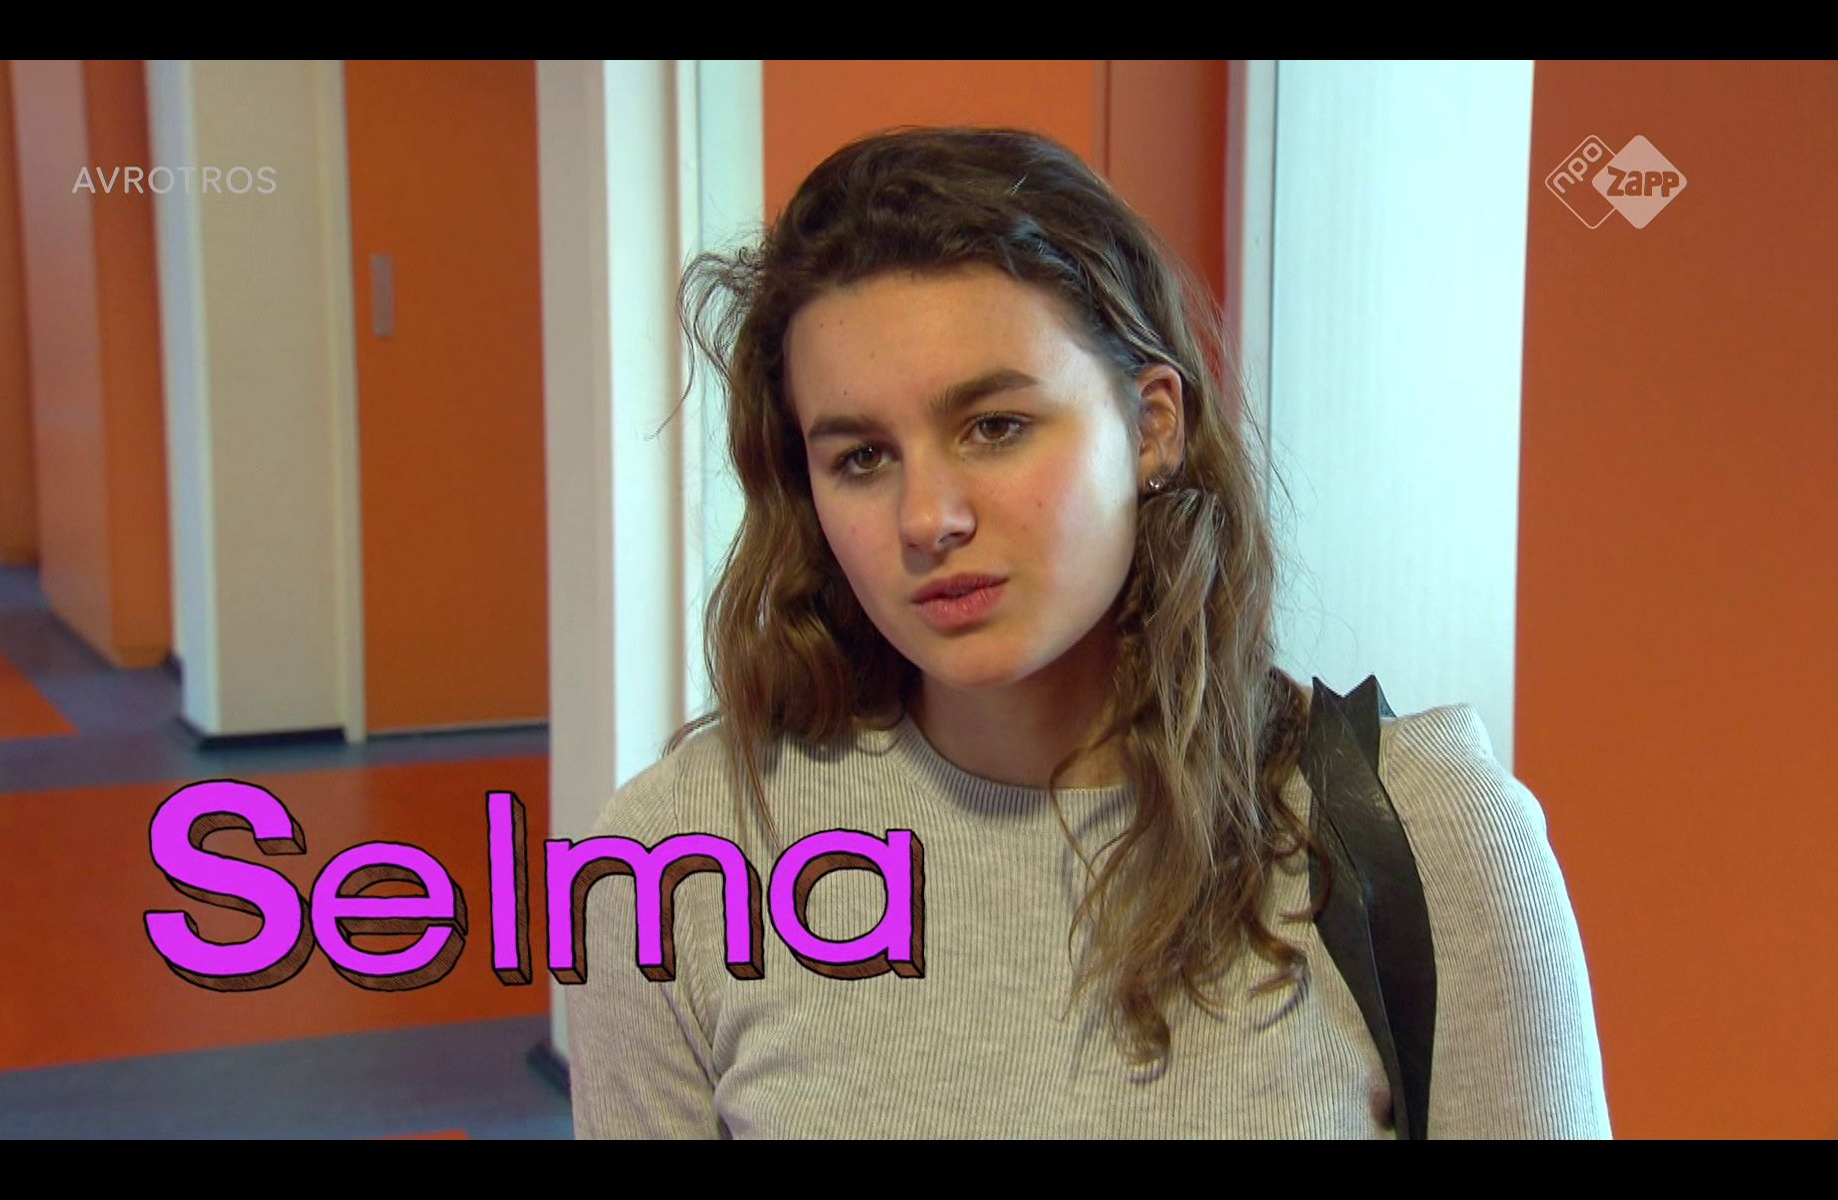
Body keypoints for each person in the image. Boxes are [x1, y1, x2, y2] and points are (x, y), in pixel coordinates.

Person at [562, 126, 1610, 1139]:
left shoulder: (1422, 833)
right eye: (862, 458)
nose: (928, 519)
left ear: (1152, 426)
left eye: (995, 427)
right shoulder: (675, 861)